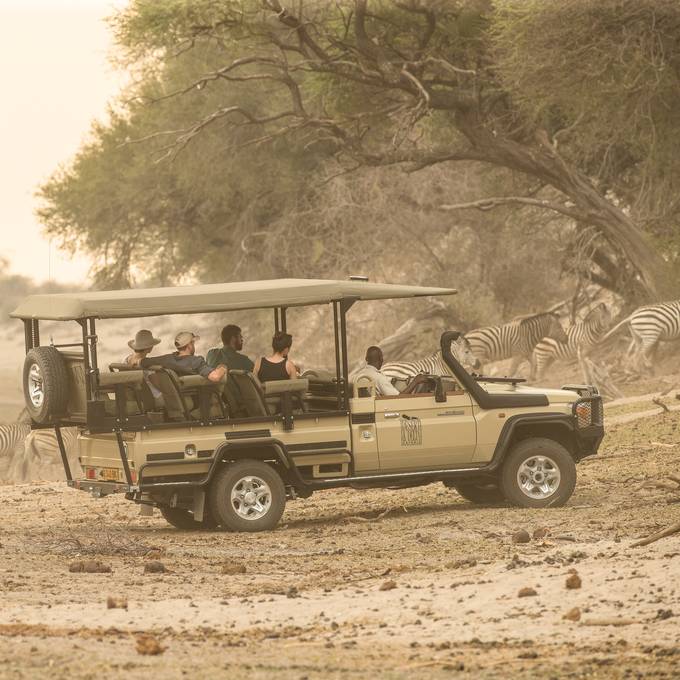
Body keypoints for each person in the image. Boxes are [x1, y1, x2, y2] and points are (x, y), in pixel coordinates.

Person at [142, 331, 227, 383]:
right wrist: (222, 367)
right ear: (189, 345)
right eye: (193, 343)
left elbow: (143, 362)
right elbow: (215, 377)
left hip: (178, 399)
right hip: (197, 399)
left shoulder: (167, 359)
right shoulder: (196, 361)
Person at [350, 346, 427, 396]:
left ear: (366, 359)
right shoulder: (378, 377)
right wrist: (415, 381)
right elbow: (398, 398)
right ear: (381, 359)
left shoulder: (358, 376)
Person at [123, 329, 164, 406]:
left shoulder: (126, 360)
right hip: (151, 396)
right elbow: (157, 384)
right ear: (149, 348)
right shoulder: (146, 364)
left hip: (136, 395)